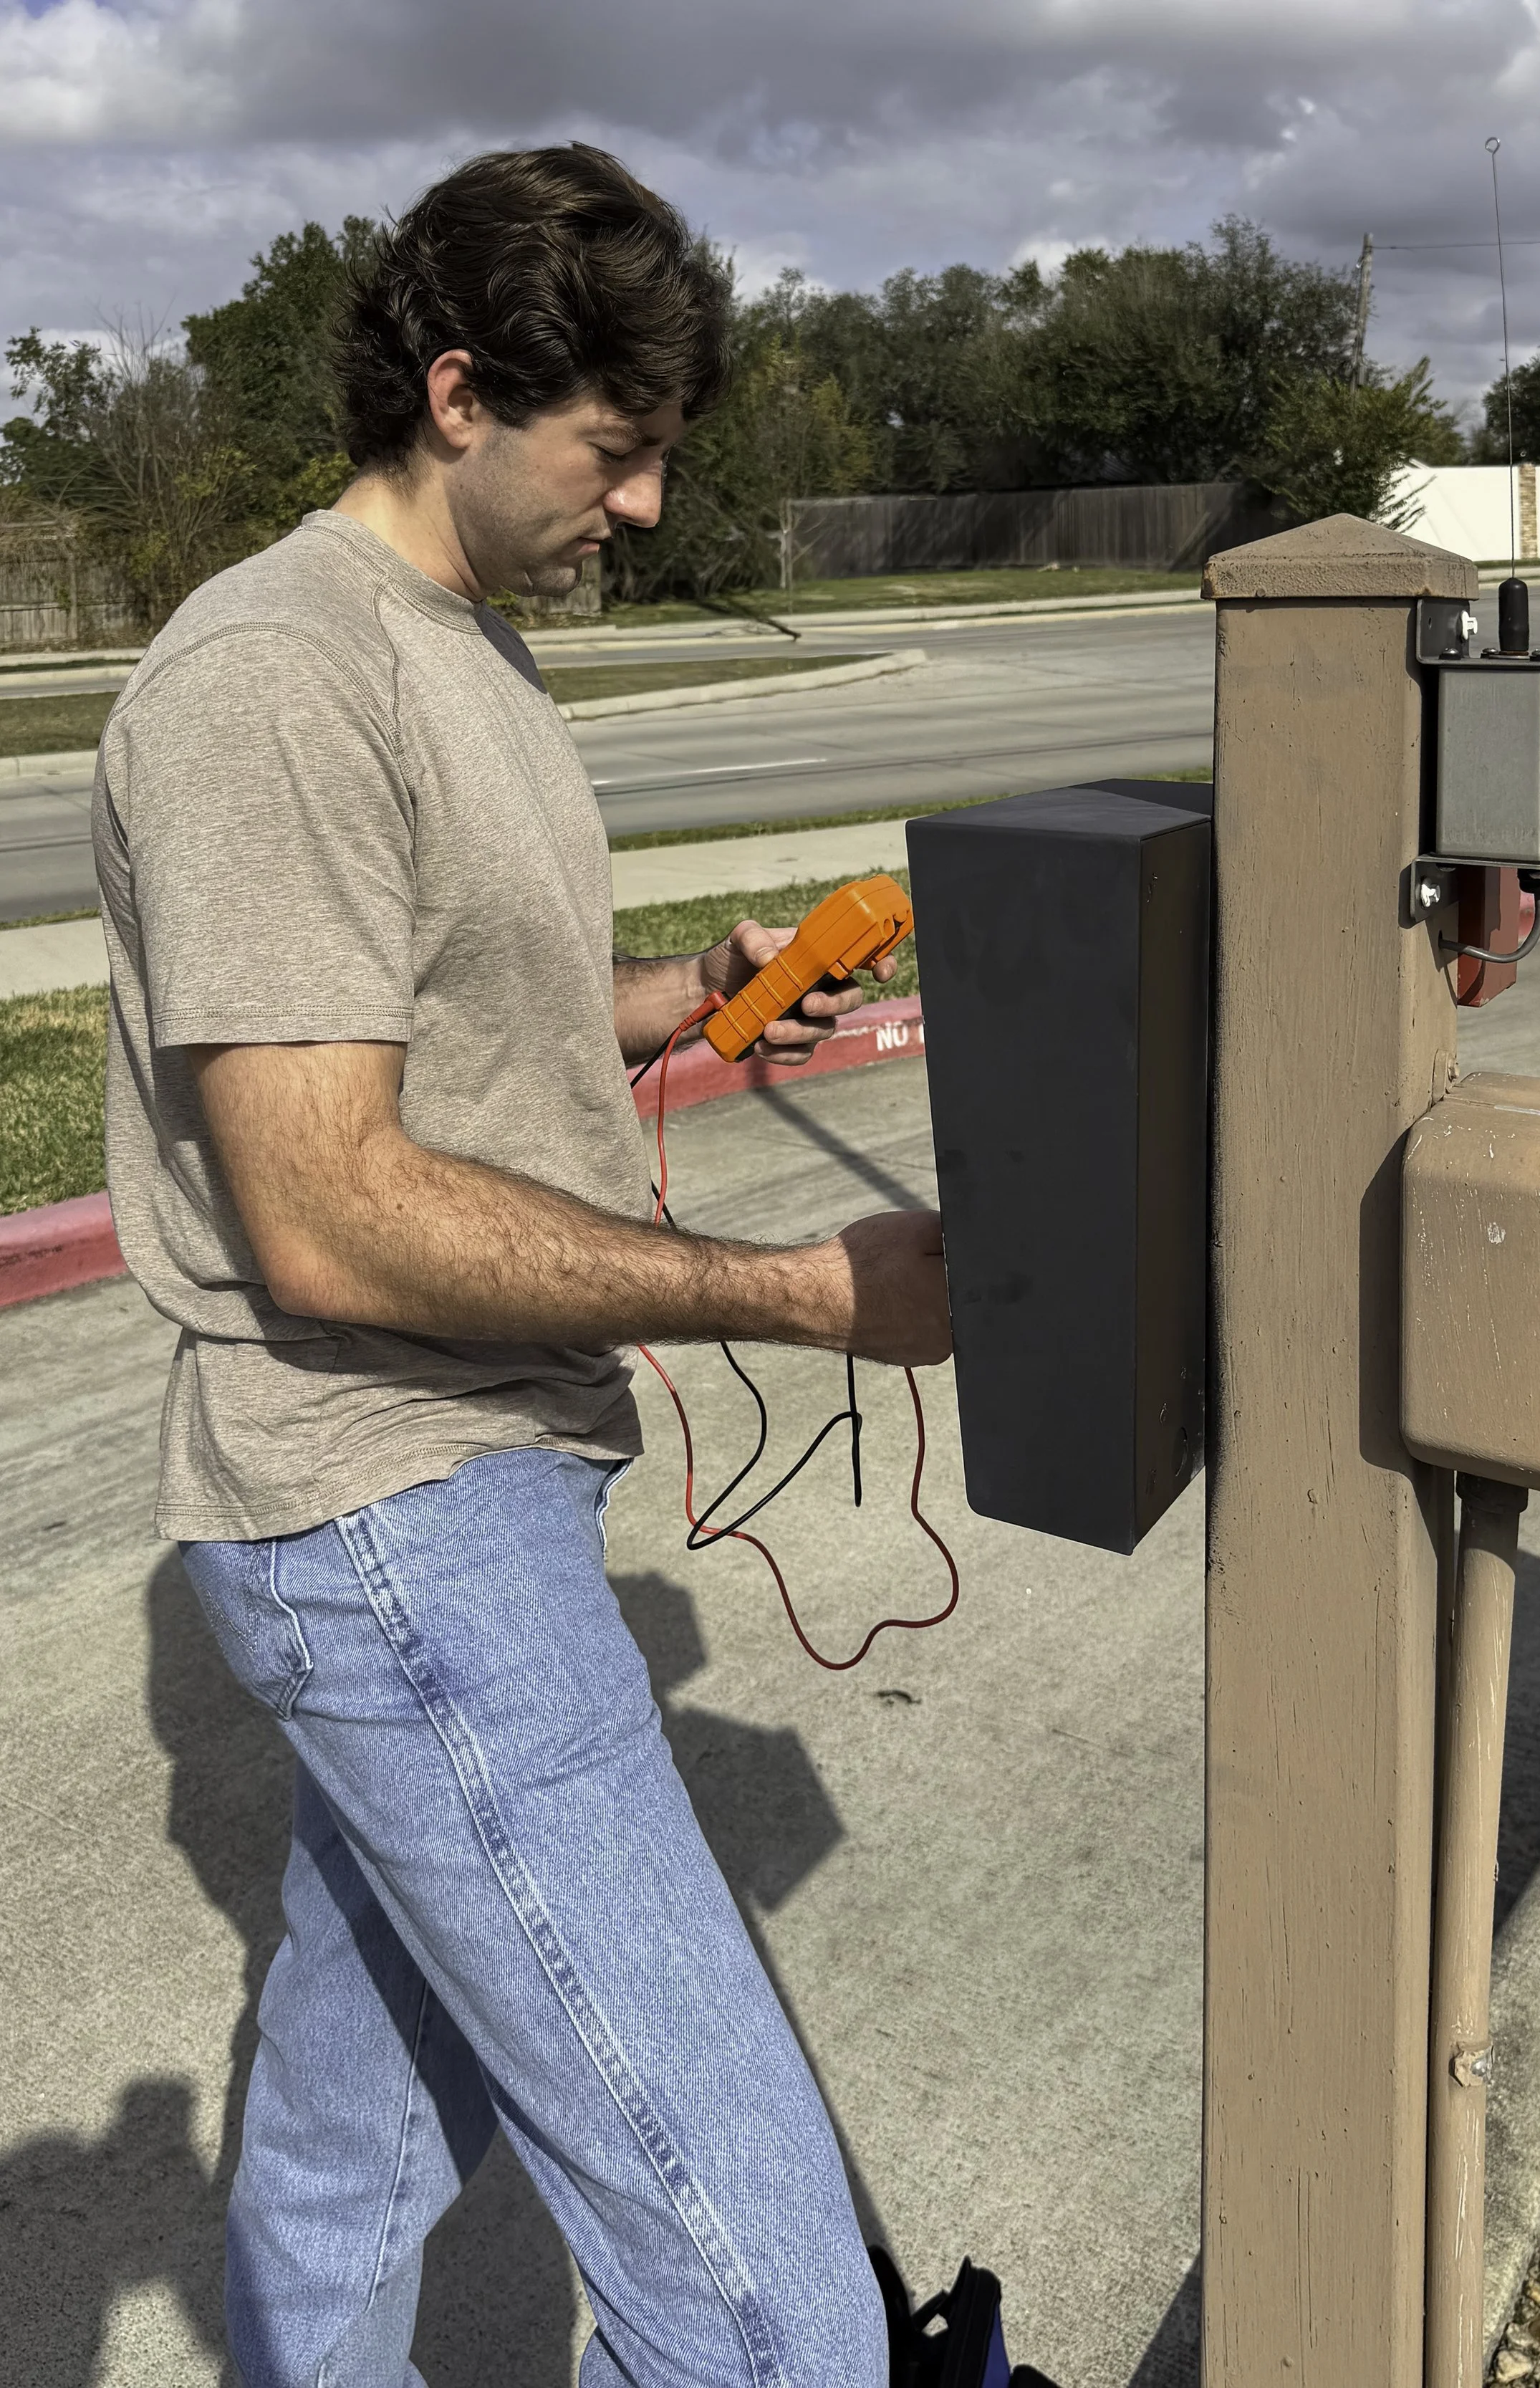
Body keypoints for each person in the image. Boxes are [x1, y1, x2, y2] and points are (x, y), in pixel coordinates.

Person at [91, 143, 951, 2388]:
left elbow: (437, 1017)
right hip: (395, 1505)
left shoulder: (452, 647)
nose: (649, 506)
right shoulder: (267, 681)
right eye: (620, 451)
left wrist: (686, 991)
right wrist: (796, 1294)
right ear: (459, 392)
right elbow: (326, 1199)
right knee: (764, 2293)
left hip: (465, 1473)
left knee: (352, 2152)